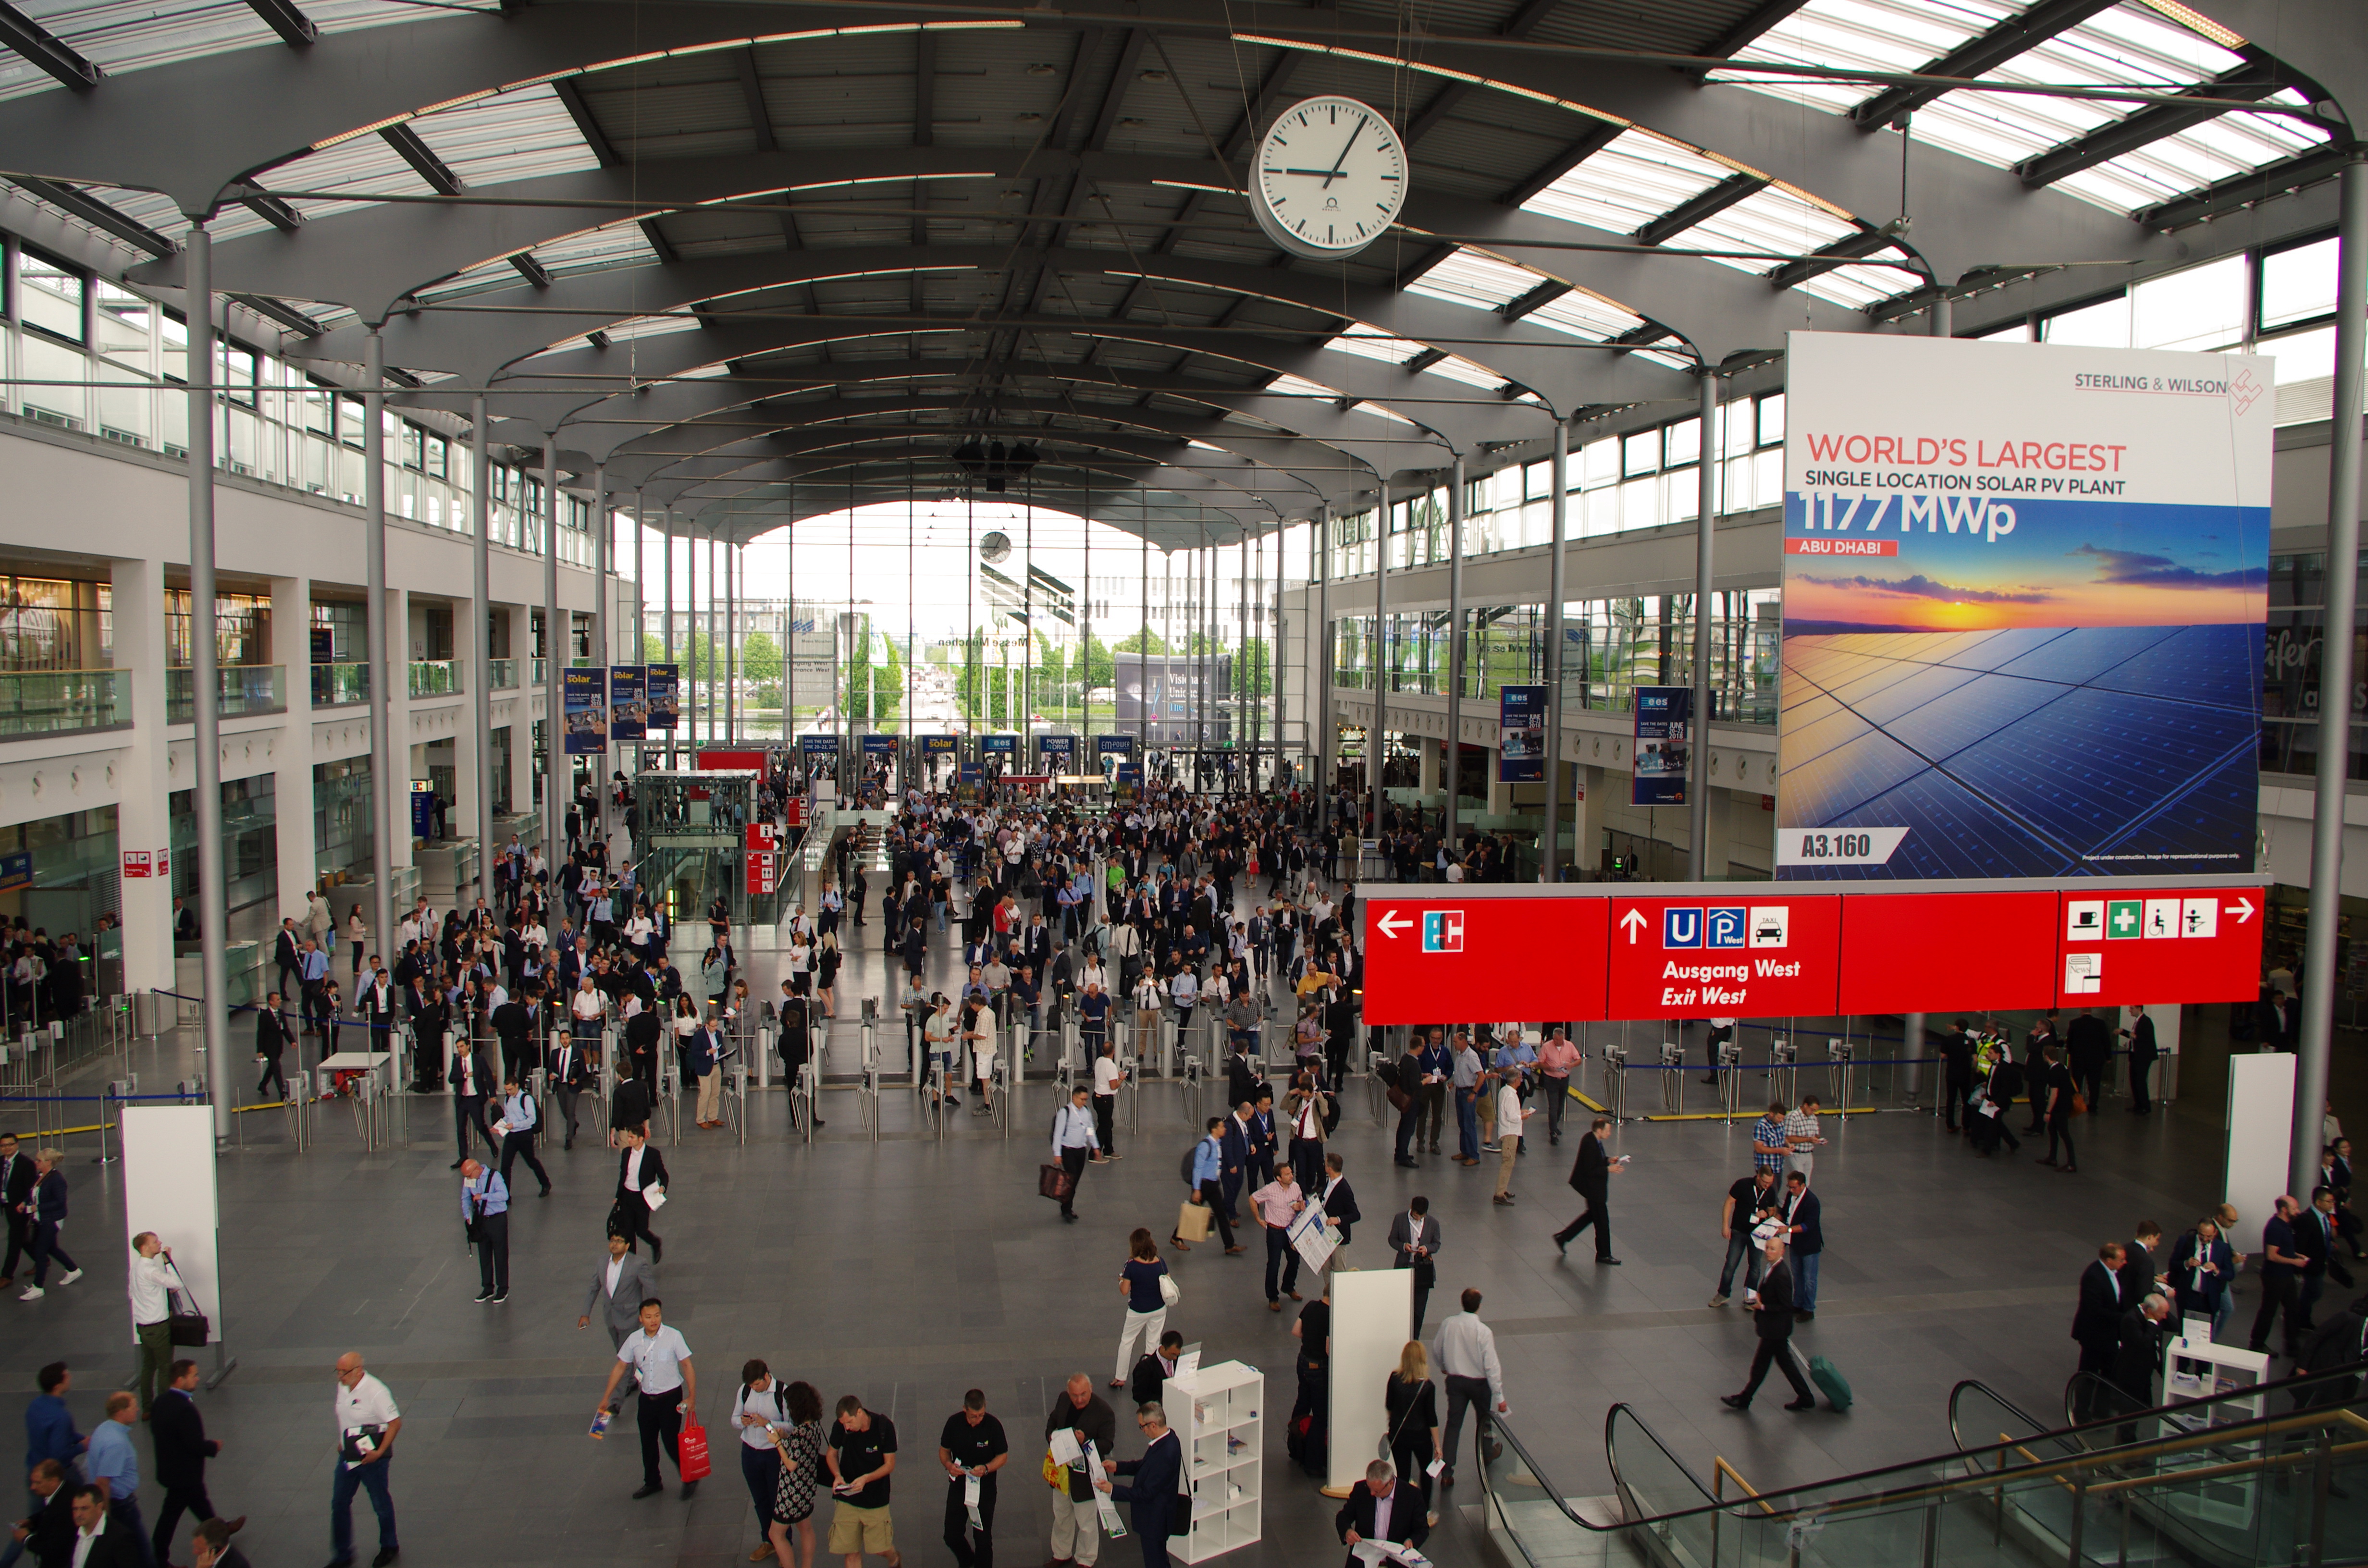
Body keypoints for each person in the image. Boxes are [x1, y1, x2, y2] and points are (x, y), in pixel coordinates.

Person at [598, 1299, 698, 1499]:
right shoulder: (634, 1340)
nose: (654, 1321)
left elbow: (687, 1365)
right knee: (648, 1442)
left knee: (671, 1442)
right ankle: (653, 1482)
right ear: (641, 1319)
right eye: (649, 1317)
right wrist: (606, 1397)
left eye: (657, 1316)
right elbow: (621, 1366)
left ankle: (689, 1477)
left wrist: (692, 1396)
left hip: (670, 1398)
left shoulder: (673, 1336)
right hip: (647, 1399)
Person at [1719, 1233, 1819, 1412]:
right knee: (1784, 1363)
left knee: (1761, 1366)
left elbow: (1785, 1306)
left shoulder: (1781, 1275)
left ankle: (1745, 1399)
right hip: (1776, 1330)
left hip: (1776, 1329)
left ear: (1782, 1251)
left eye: (1773, 1249)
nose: (1768, 1252)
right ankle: (1805, 1397)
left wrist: (1763, 1306)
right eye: (1767, 1248)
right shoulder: (1772, 1268)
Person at [148, 1360, 230, 1568]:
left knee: (199, 1505)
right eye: (193, 1375)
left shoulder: (160, 1402)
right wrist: (213, 1446)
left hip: (171, 1471)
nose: (198, 1378)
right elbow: (193, 1444)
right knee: (172, 1515)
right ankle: (159, 1556)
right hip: (185, 1475)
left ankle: (222, 1531)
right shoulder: (185, 1409)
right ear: (180, 1379)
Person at [328, 1352, 400, 1568]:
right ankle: (343, 1554)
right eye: (338, 1371)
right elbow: (345, 1414)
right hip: (348, 1456)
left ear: (359, 1370)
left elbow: (395, 1423)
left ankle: (389, 1545)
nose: (340, 1377)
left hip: (372, 1458)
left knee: (380, 1502)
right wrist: (342, 1439)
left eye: (345, 1372)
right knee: (339, 1503)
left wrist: (379, 1453)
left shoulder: (376, 1391)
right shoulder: (343, 1386)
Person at [1430, 1288, 1505, 1488]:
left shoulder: (1449, 1324)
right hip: (1480, 1385)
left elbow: (1437, 1349)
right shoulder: (1484, 1332)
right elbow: (1491, 1365)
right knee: (1484, 1421)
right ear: (1479, 1306)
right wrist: (1499, 1395)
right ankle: (1487, 1454)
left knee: (1453, 1425)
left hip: (1456, 1382)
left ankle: (1447, 1472)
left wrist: (1444, 1366)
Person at [580, 1230, 661, 1408]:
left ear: (627, 1245)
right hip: (611, 1317)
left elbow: (651, 1289)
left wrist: (650, 1316)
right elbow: (594, 1288)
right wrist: (586, 1313)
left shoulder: (638, 1264)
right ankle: (632, 1381)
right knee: (621, 1351)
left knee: (623, 1360)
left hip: (630, 1318)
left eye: (619, 1241)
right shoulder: (602, 1263)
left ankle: (615, 1403)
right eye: (612, 1241)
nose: (614, 1244)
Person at [1098, 1401, 1183, 1568]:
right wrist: (1118, 1467)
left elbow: (1146, 1494)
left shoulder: (1165, 1453)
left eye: (1142, 1427)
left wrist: (1113, 1490)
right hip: (1157, 1516)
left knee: (1155, 1562)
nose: (1142, 1431)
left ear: (1153, 1425)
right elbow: (1146, 1465)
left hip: (1155, 1521)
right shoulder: (1168, 1439)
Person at [1044, 1375, 1114, 1568]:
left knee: (1087, 1522)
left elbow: (1107, 1444)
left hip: (1087, 1477)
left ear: (1091, 1389)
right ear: (1069, 1393)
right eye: (1075, 1395)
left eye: (1083, 1394)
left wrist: (1086, 1441)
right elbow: (1054, 1418)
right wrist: (1051, 1435)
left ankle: (1085, 1559)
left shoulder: (1104, 1412)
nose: (1079, 1399)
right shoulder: (1063, 1399)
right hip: (1063, 1471)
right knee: (1061, 1515)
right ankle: (1061, 1553)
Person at [824, 1396, 899, 1568]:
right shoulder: (841, 1427)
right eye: (844, 1424)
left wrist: (866, 1479)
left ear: (860, 1412)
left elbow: (889, 1465)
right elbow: (831, 1453)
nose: (847, 1427)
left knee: (880, 1549)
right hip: (847, 1498)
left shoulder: (884, 1427)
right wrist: (837, 1475)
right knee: (851, 1551)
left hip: (875, 1499)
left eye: (850, 1422)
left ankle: (893, 1557)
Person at [936, 1389, 1007, 1568]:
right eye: (974, 1416)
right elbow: (944, 1451)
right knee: (951, 1534)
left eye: (981, 1415)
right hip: (960, 1485)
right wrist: (949, 1465)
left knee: (982, 1537)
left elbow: (1002, 1456)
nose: (978, 1419)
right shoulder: (953, 1424)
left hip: (985, 1488)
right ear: (964, 1409)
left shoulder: (993, 1426)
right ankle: (967, 1560)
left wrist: (987, 1468)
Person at [734, 1360, 795, 1560]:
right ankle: (768, 1541)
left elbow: (791, 1427)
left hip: (774, 1453)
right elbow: (734, 1418)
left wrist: (768, 1424)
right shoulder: (744, 1390)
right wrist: (742, 1421)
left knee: (778, 1500)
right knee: (760, 1500)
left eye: (757, 1385)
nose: (754, 1389)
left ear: (766, 1376)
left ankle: (785, 1543)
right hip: (750, 1452)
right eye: (751, 1386)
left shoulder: (782, 1393)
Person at [766, 1382, 827, 1568]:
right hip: (807, 1486)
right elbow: (801, 1449)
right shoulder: (814, 1425)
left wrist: (777, 1442)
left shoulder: (801, 1433)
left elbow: (791, 1464)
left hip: (792, 1491)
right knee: (805, 1527)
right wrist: (786, 1438)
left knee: (775, 1534)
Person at [82, 1394, 145, 1568]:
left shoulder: (103, 1429)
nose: (137, 1410)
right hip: (121, 1505)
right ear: (121, 1411)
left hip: (118, 1504)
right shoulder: (116, 1442)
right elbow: (103, 1482)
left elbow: (87, 1467)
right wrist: (105, 1517)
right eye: (133, 1407)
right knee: (142, 1551)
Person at [1383, 1342, 1442, 1528]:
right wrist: (1438, 1445)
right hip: (1421, 1437)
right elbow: (1431, 1418)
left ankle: (1401, 1511)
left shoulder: (1394, 1379)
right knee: (1426, 1473)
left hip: (1399, 1435)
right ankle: (1423, 1512)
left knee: (1403, 1474)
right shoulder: (1427, 1387)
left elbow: (1389, 1405)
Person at [1551, 1117, 1622, 1265]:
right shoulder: (1591, 1144)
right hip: (1594, 1190)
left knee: (1591, 1216)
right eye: (1608, 1131)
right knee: (1602, 1222)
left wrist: (1608, 1160)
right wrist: (1608, 1169)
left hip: (1593, 1189)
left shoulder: (1592, 1140)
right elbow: (1590, 1169)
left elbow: (1596, 1161)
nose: (1610, 1134)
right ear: (1599, 1130)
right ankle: (1604, 1254)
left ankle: (1563, 1237)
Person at [1334, 1457, 1429, 1568]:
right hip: (1364, 1561)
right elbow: (1343, 1517)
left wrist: (1412, 1541)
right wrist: (1347, 1532)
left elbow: (1422, 1529)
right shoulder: (1361, 1490)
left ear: (1390, 1483)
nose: (1372, 1494)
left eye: (1377, 1491)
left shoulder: (1412, 1495)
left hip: (1396, 1563)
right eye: (1370, 1488)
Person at [14, 1150, 78, 1300]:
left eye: (39, 1161)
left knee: (40, 1252)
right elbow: (33, 1193)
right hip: (42, 1219)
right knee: (51, 1248)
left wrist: (37, 1208)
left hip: (51, 1220)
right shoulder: (42, 1177)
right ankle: (73, 1269)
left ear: (48, 1162)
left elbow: (59, 1202)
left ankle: (38, 1287)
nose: (36, 1163)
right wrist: (25, 1202)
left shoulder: (56, 1180)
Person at [1710, 1168, 1778, 1309]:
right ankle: (1723, 1293)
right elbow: (1729, 1203)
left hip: (1758, 1235)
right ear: (1758, 1176)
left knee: (1755, 1267)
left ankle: (1750, 1298)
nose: (1767, 1185)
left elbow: (1773, 1211)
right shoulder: (1743, 1185)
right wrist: (1725, 1225)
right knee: (1731, 1264)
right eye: (1765, 1182)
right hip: (1739, 1231)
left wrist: (1766, 1214)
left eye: (1770, 1183)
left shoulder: (1770, 1192)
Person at [2252, 1197, 2311, 1358]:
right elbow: (2272, 1256)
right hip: (2275, 1276)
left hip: (2285, 1275)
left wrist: (2297, 1255)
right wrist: (2295, 1262)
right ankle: (2257, 1343)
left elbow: (2283, 1248)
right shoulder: (2275, 1228)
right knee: (2268, 1310)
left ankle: (2292, 1344)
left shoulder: (2285, 1226)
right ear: (2285, 1210)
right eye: (2295, 1208)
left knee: (2292, 1308)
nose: (2298, 1211)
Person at [1112, 1231, 1171, 1391]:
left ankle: (1120, 1378)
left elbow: (1124, 1291)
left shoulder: (1131, 1265)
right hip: (1159, 1309)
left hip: (1138, 1310)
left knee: (1127, 1341)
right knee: (1153, 1343)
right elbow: (1167, 1281)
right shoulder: (1160, 1262)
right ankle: (1150, 1377)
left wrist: (1121, 1281)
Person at [125, 1234, 176, 1416]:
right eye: (155, 1242)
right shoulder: (151, 1271)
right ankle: (165, 1407)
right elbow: (176, 1282)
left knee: (148, 1366)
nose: (160, 1243)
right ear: (145, 1248)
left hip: (143, 1324)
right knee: (165, 1367)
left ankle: (147, 1407)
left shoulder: (136, 1269)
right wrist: (168, 1262)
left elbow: (132, 1293)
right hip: (158, 1325)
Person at [1250, 1163, 1308, 1311]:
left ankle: (1289, 1286)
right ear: (1279, 1178)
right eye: (1287, 1174)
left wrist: (1300, 1206)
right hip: (1275, 1232)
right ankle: (1273, 1297)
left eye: (1291, 1173)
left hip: (1291, 1231)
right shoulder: (1270, 1190)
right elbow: (1253, 1198)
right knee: (1274, 1264)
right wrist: (1258, 1218)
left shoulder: (1296, 1187)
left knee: (1295, 1260)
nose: (1291, 1176)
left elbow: (1302, 1203)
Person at [2072, 1243, 2129, 1386]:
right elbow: (2095, 1309)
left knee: (2110, 1371)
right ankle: (2082, 1407)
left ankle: (2102, 1403)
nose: (2124, 1262)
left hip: (2109, 1334)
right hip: (2095, 1335)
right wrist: (2123, 1318)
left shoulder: (2115, 1272)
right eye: (2121, 1260)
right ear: (2109, 1260)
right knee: (2089, 1373)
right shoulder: (2094, 1276)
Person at [1180, 1119, 1240, 1255]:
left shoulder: (1217, 1144)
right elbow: (1198, 1168)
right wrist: (1197, 1189)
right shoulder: (1205, 1146)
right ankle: (1176, 1237)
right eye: (1222, 1127)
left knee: (1221, 1214)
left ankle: (1229, 1245)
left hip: (1213, 1184)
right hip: (1204, 1185)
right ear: (1214, 1130)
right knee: (1193, 1213)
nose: (1224, 1129)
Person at [1388, 1197, 1443, 1335]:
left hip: (1423, 1270)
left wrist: (1427, 1249)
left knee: (1419, 1310)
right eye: (1416, 1216)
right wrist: (1403, 1247)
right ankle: (1401, 1334)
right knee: (1402, 1307)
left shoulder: (1433, 1223)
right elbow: (1392, 1239)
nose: (1418, 1219)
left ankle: (1415, 1337)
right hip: (1404, 1267)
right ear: (1411, 1209)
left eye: (1421, 1217)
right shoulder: (1400, 1219)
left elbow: (1436, 1244)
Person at [458, 1158, 509, 1305]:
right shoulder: (469, 1180)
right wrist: (468, 1216)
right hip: (481, 1220)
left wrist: (484, 1196)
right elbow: (465, 1198)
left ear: (476, 1170)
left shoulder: (495, 1177)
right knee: (484, 1254)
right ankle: (488, 1287)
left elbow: (504, 1195)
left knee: (500, 1254)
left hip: (497, 1219)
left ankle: (503, 1288)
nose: (468, 1180)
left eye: (469, 1175)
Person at [613, 1128, 668, 1261]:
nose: (629, 1140)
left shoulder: (653, 1154)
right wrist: (618, 1196)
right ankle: (631, 1262)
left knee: (642, 1230)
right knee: (628, 1231)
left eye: (632, 1137)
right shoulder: (626, 1153)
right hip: (627, 1196)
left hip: (642, 1198)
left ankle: (655, 1243)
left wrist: (663, 1187)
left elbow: (663, 1174)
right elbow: (623, 1176)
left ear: (641, 1139)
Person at [493, 1078, 552, 1197]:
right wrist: (499, 1126)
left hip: (524, 1135)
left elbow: (531, 1120)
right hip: (511, 1135)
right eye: (506, 1090)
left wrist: (514, 1125)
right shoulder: (508, 1099)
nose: (508, 1092)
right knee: (505, 1166)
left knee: (531, 1161)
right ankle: (505, 1194)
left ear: (516, 1085)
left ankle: (545, 1183)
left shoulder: (526, 1099)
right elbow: (507, 1117)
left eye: (510, 1089)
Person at [10, 1460, 73, 1568]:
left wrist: (26, 1538)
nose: (32, 1488)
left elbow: (52, 1551)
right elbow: (49, 1513)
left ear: (53, 1481)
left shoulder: (64, 1508)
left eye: (38, 1483)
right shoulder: (64, 1490)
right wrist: (32, 1521)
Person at [1051, 1085, 1099, 1224]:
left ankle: (1067, 1206)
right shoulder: (1065, 1113)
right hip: (1068, 1150)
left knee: (1075, 1180)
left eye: (1086, 1100)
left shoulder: (1086, 1112)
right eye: (1082, 1099)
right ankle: (1067, 1209)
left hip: (1081, 1150)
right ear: (1074, 1097)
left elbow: (1090, 1130)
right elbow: (1058, 1134)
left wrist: (1095, 1146)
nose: (1084, 1102)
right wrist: (1057, 1153)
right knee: (1071, 1178)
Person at [1780, 1171, 1823, 1321]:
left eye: (1794, 1188)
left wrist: (1789, 1230)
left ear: (1802, 1185)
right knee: (1797, 1275)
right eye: (1789, 1187)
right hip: (1795, 1243)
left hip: (1809, 1246)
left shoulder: (1812, 1201)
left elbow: (1808, 1225)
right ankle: (1797, 1303)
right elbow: (1785, 1213)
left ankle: (1809, 1308)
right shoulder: (1790, 1197)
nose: (1791, 1190)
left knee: (1810, 1278)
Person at [62, 1488, 137, 1568]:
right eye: (75, 1509)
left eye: (84, 1509)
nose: (78, 1515)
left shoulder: (119, 1537)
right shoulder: (73, 1531)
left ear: (99, 1507)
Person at [1491, 1069, 1533, 1205]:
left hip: (1509, 1131)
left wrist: (1520, 1112)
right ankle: (1499, 1193)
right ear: (1516, 1080)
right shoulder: (1510, 1095)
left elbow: (1508, 1111)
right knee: (1508, 1162)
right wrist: (1522, 1116)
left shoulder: (1505, 1091)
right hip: (1510, 1133)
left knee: (1510, 1162)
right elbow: (1512, 1117)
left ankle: (1503, 1189)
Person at [2037, 1043, 2078, 1175]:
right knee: (2053, 1130)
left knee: (2064, 1133)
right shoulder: (2063, 1068)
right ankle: (2052, 1157)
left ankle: (2071, 1164)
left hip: (2059, 1107)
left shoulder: (2053, 1071)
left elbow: (2054, 1093)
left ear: (2046, 1056)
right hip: (2065, 1105)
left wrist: (2048, 1111)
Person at [1535, 1028, 1579, 1146]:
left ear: (1563, 1038)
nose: (1557, 1042)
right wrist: (1548, 1068)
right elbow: (1540, 1062)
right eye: (1555, 1039)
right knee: (1553, 1106)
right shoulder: (1547, 1047)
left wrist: (1571, 1065)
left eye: (1559, 1040)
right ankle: (1553, 1131)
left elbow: (1578, 1059)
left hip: (1564, 1079)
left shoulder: (1570, 1046)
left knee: (1560, 1105)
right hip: (1551, 1079)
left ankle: (1555, 1125)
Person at [0, 1134, 32, 1286]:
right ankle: (42, 1259)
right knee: (22, 1238)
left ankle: (7, 1275)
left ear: (17, 1145)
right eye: (3, 1146)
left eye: (10, 1145)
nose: (7, 1148)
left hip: (20, 1208)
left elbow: (31, 1189)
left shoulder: (26, 1164)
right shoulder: (1, 1162)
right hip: (6, 1206)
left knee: (14, 1239)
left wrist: (25, 1204)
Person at [254, 992, 294, 1103]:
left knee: (272, 1067)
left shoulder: (281, 1013)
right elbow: (260, 1033)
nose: (280, 1001)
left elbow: (285, 1029)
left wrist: (292, 1041)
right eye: (277, 999)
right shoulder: (264, 1015)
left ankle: (262, 1085)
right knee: (277, 1067)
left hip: (278, 1046)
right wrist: (260, 1049)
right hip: (269, 1047)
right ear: (271, 1002)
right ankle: (282, 1092)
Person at [2120, 1004, 2158, 1115]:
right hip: (2135, 1055)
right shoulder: (2138, 1022)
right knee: (2134, 1081)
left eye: (2132, 1008)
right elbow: (2134, 1036)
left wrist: (2135, 1036)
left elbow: (2147, 1038)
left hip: (2143, 1057)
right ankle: (2138, 1104)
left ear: (2139, 1009)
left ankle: (2145, 1106)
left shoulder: (2146, 1022)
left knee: (2140, 1081)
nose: (2130, 1011)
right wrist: (2124, 1032)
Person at [1130, 1332, 1183, 1411]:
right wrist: (1161, 1400)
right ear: (1163, 1348)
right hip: (1156, 1410)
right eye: (1173, 1354)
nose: (1175, 1358)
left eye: (1177, 1355)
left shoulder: (1179, 1360)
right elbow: (1138, 1395)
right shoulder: (1145, 1367)